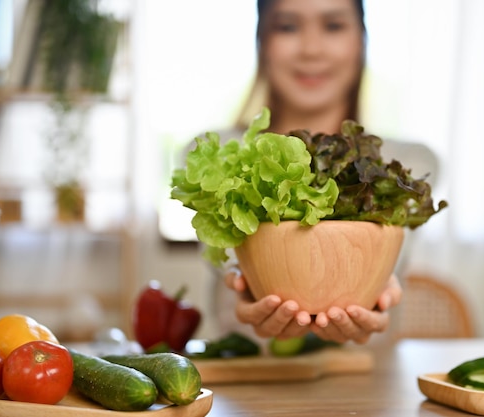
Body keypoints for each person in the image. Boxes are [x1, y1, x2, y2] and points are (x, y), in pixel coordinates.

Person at [187, 0, 438, 345]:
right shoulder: (213, 157)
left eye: (333, 26)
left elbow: (386, 268)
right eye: (288, 27)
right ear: (261, 41)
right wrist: (242, 282)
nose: (311, 49)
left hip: (370, 386)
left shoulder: (407, 164)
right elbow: (230, 265)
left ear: (362, 40)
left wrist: (380, 288)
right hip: (245, 386)